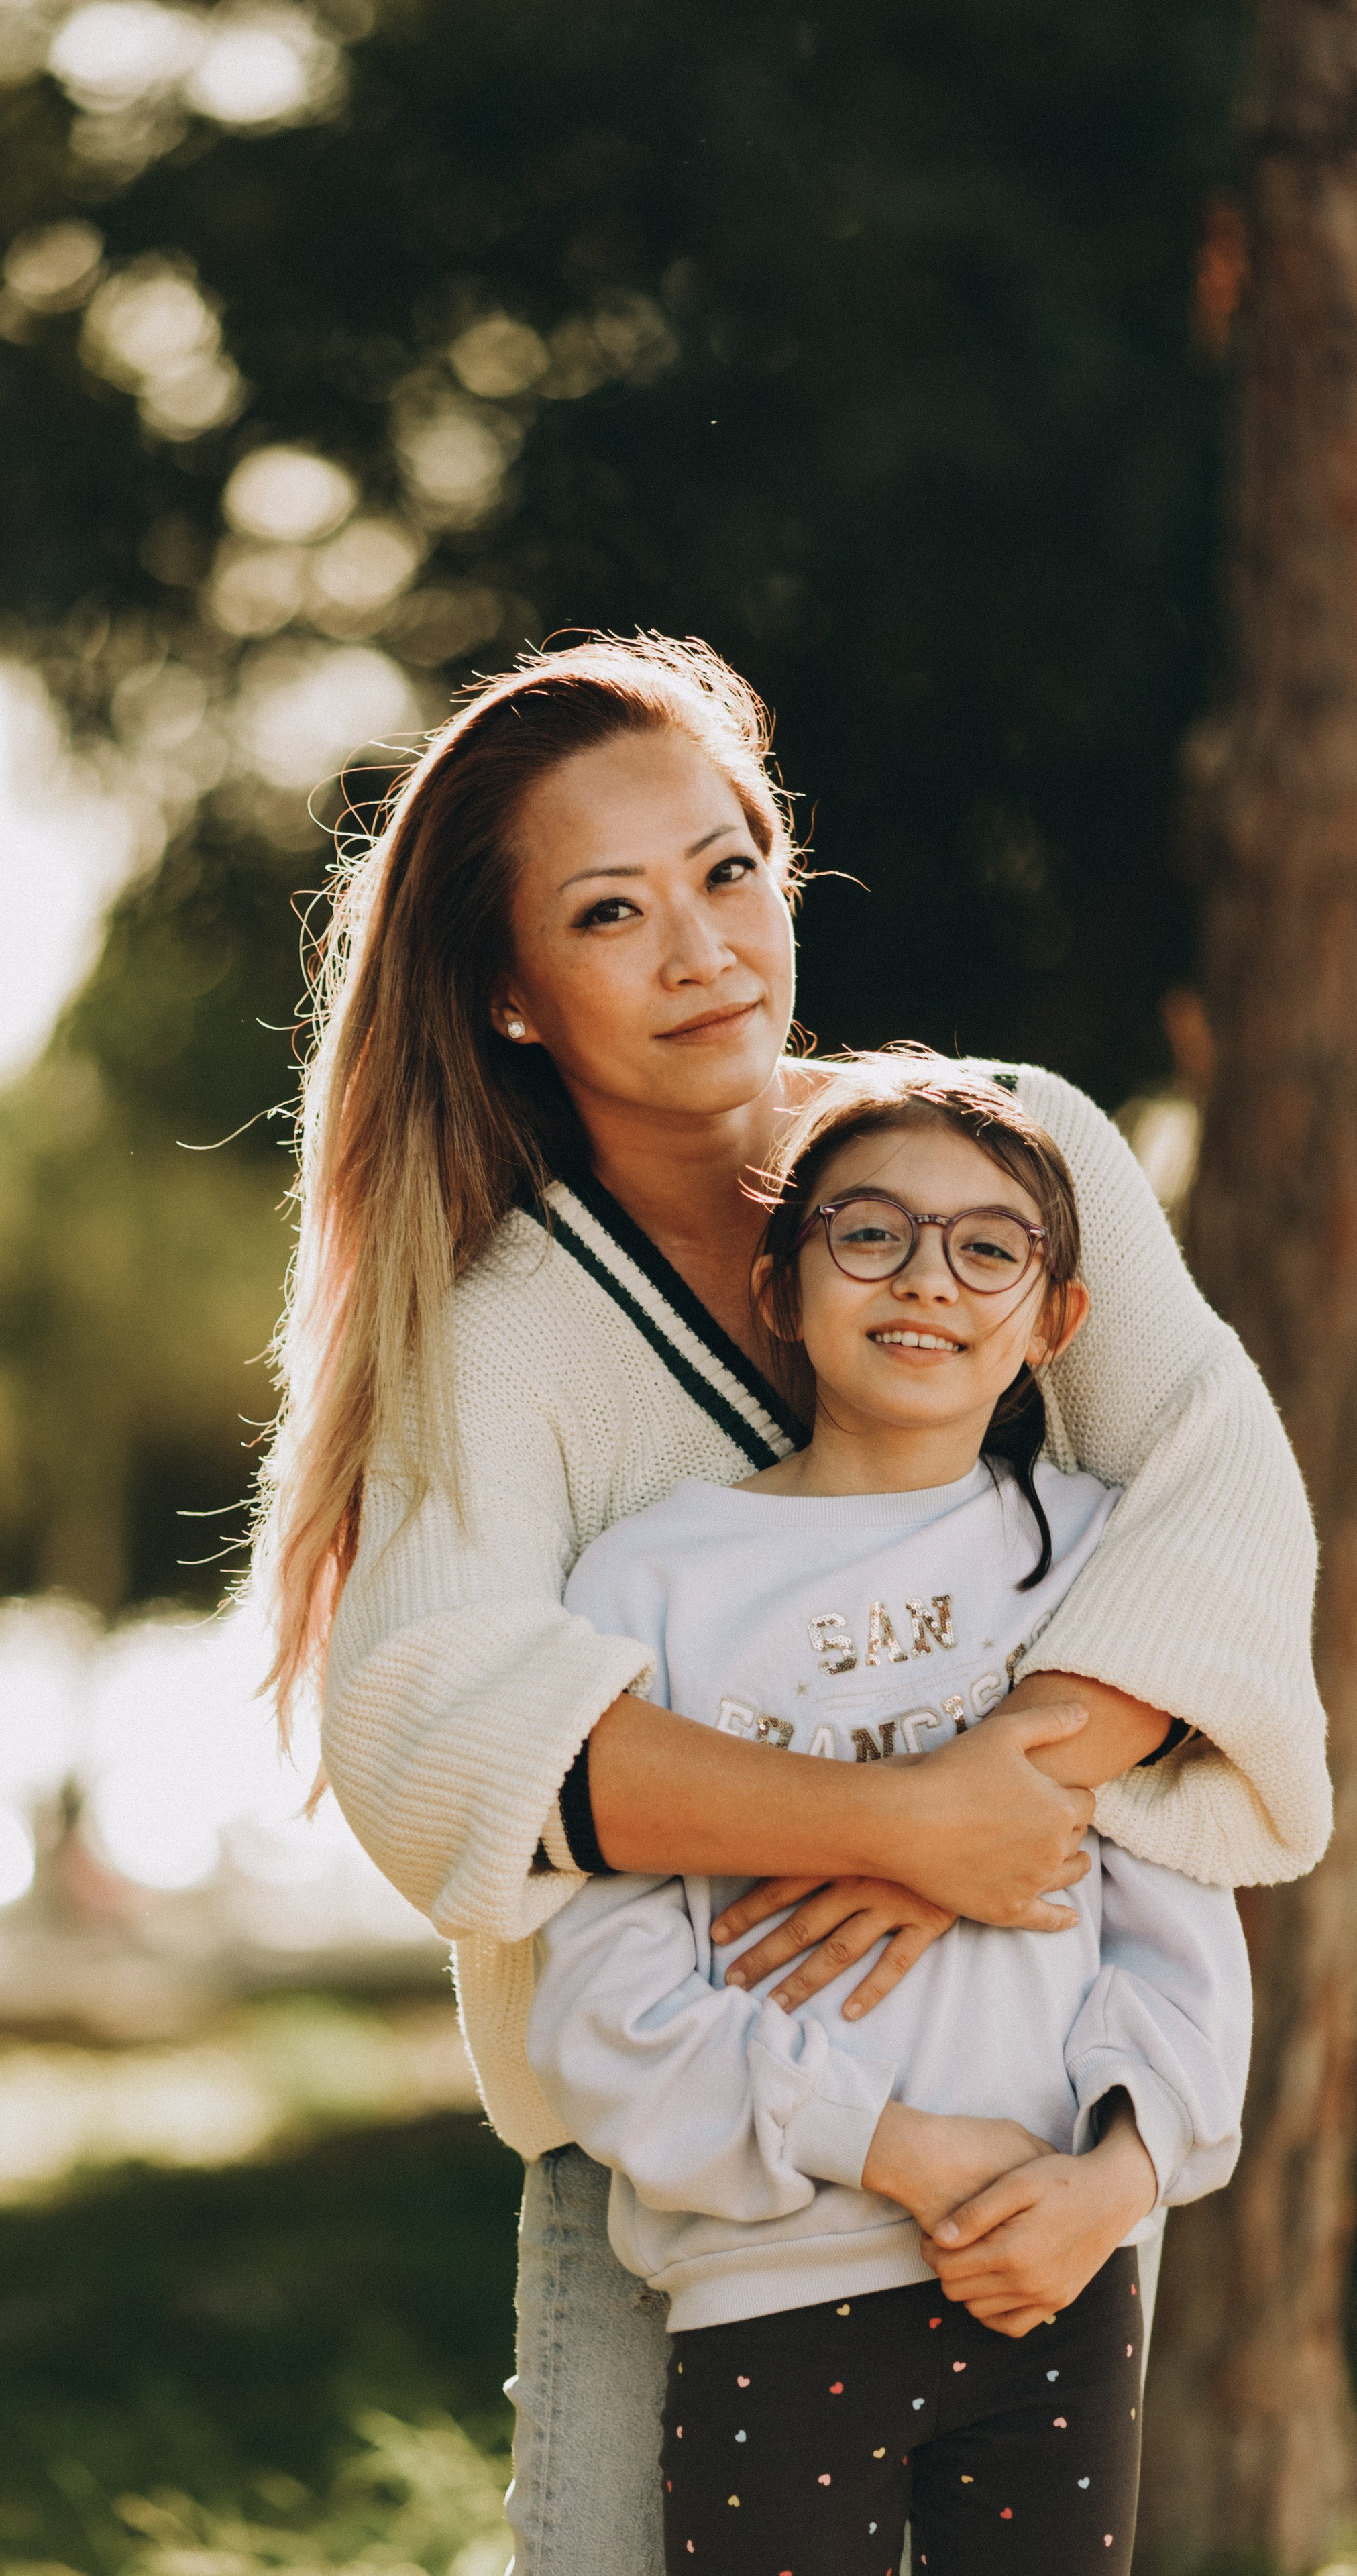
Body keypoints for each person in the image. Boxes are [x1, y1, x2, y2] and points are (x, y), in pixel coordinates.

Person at [252, 635, 1328, 2576]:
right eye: (611, 911)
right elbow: (437, 1730)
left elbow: (1217, 1497)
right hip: (692, 2174)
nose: (706, 952)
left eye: (728, 869)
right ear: (510, 989)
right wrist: (900, 1826)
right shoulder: (507, 1333)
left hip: (1036, 2140)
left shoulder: (1010, 1158)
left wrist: (1012, 1777)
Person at [527, 1055, 1253, 2576]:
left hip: (1052, 2277)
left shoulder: (1099, 1567)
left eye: (987, 1246)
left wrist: (1112, 2183)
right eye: (869, 1233)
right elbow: (602, 2007)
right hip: (770, 2297)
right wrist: (896, 2146)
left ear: (1051, 1318)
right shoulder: (647, 1584)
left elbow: (1179, 1932)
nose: (927, 1278)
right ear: (780, 1282)